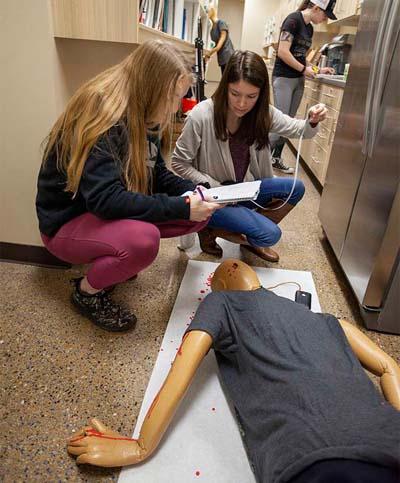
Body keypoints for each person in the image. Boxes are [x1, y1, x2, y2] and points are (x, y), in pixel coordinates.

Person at [67, 259, 400, 483]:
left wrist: (141, 445)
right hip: (351, 453)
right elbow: (388, 368)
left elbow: (183, 367)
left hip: (320, 457)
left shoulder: (222, 303)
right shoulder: (324, 319)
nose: (230, 266)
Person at [36, 40, 221, 332]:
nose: (177, 108)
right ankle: (86, 293)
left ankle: (117, 257)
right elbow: (105, 200)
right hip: (65, 224)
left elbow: (156, 172)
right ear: (154, 87)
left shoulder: (140, 111)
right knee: (144, 240)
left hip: (97, 213)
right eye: (175, 97)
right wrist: (182, 207)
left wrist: (194, 193)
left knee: (198, 215)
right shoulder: (105, 113)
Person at [172, 50, 327, 262]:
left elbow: (300, 130)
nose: (242, 104)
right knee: (271, 234)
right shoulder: (201, 115)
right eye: (235, 94)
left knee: (296, 188)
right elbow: (179, 163)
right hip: (214, 197)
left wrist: (313, 119)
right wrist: (213, 185)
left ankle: (251, 235)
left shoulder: (264, 113)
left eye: (251, 96)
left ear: (261, 94)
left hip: (244, 191)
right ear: (225, 86)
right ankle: (212, 229)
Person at [270, 0, 336, 174]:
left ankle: (275, 159)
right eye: (324, 15)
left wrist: (317, 69)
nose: (324, 19)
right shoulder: (292, 21)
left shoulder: (310, 28)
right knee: (279, 123)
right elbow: (283, 52)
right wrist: (303, 69)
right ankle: (259, 160)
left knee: (289, 123)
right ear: (316, 8)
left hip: (298, 80)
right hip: (284, 78)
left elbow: (301, 58)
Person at [204, 6, 235, 75]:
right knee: (224, 77)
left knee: (227, 79)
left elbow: (219, 44)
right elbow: (216, 44)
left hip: (228, 54)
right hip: (221, 56)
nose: (206, 12)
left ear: (212, 11)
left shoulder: (221, 23)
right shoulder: (212, 28)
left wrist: (209, 53)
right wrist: (208, 54)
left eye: (207, 10)